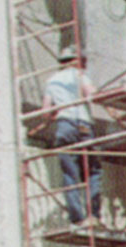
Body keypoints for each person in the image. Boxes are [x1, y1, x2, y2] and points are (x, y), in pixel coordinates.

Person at [42, 46, 101, 228]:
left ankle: (77, 217)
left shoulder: (51, 81)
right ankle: (93, 215)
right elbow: (92, 94)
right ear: (76, 61)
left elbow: (46, 112)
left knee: (70, 173)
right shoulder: (79, 76)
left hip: (64, 126)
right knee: (93, 170)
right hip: (82, 124)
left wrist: (54, 116)